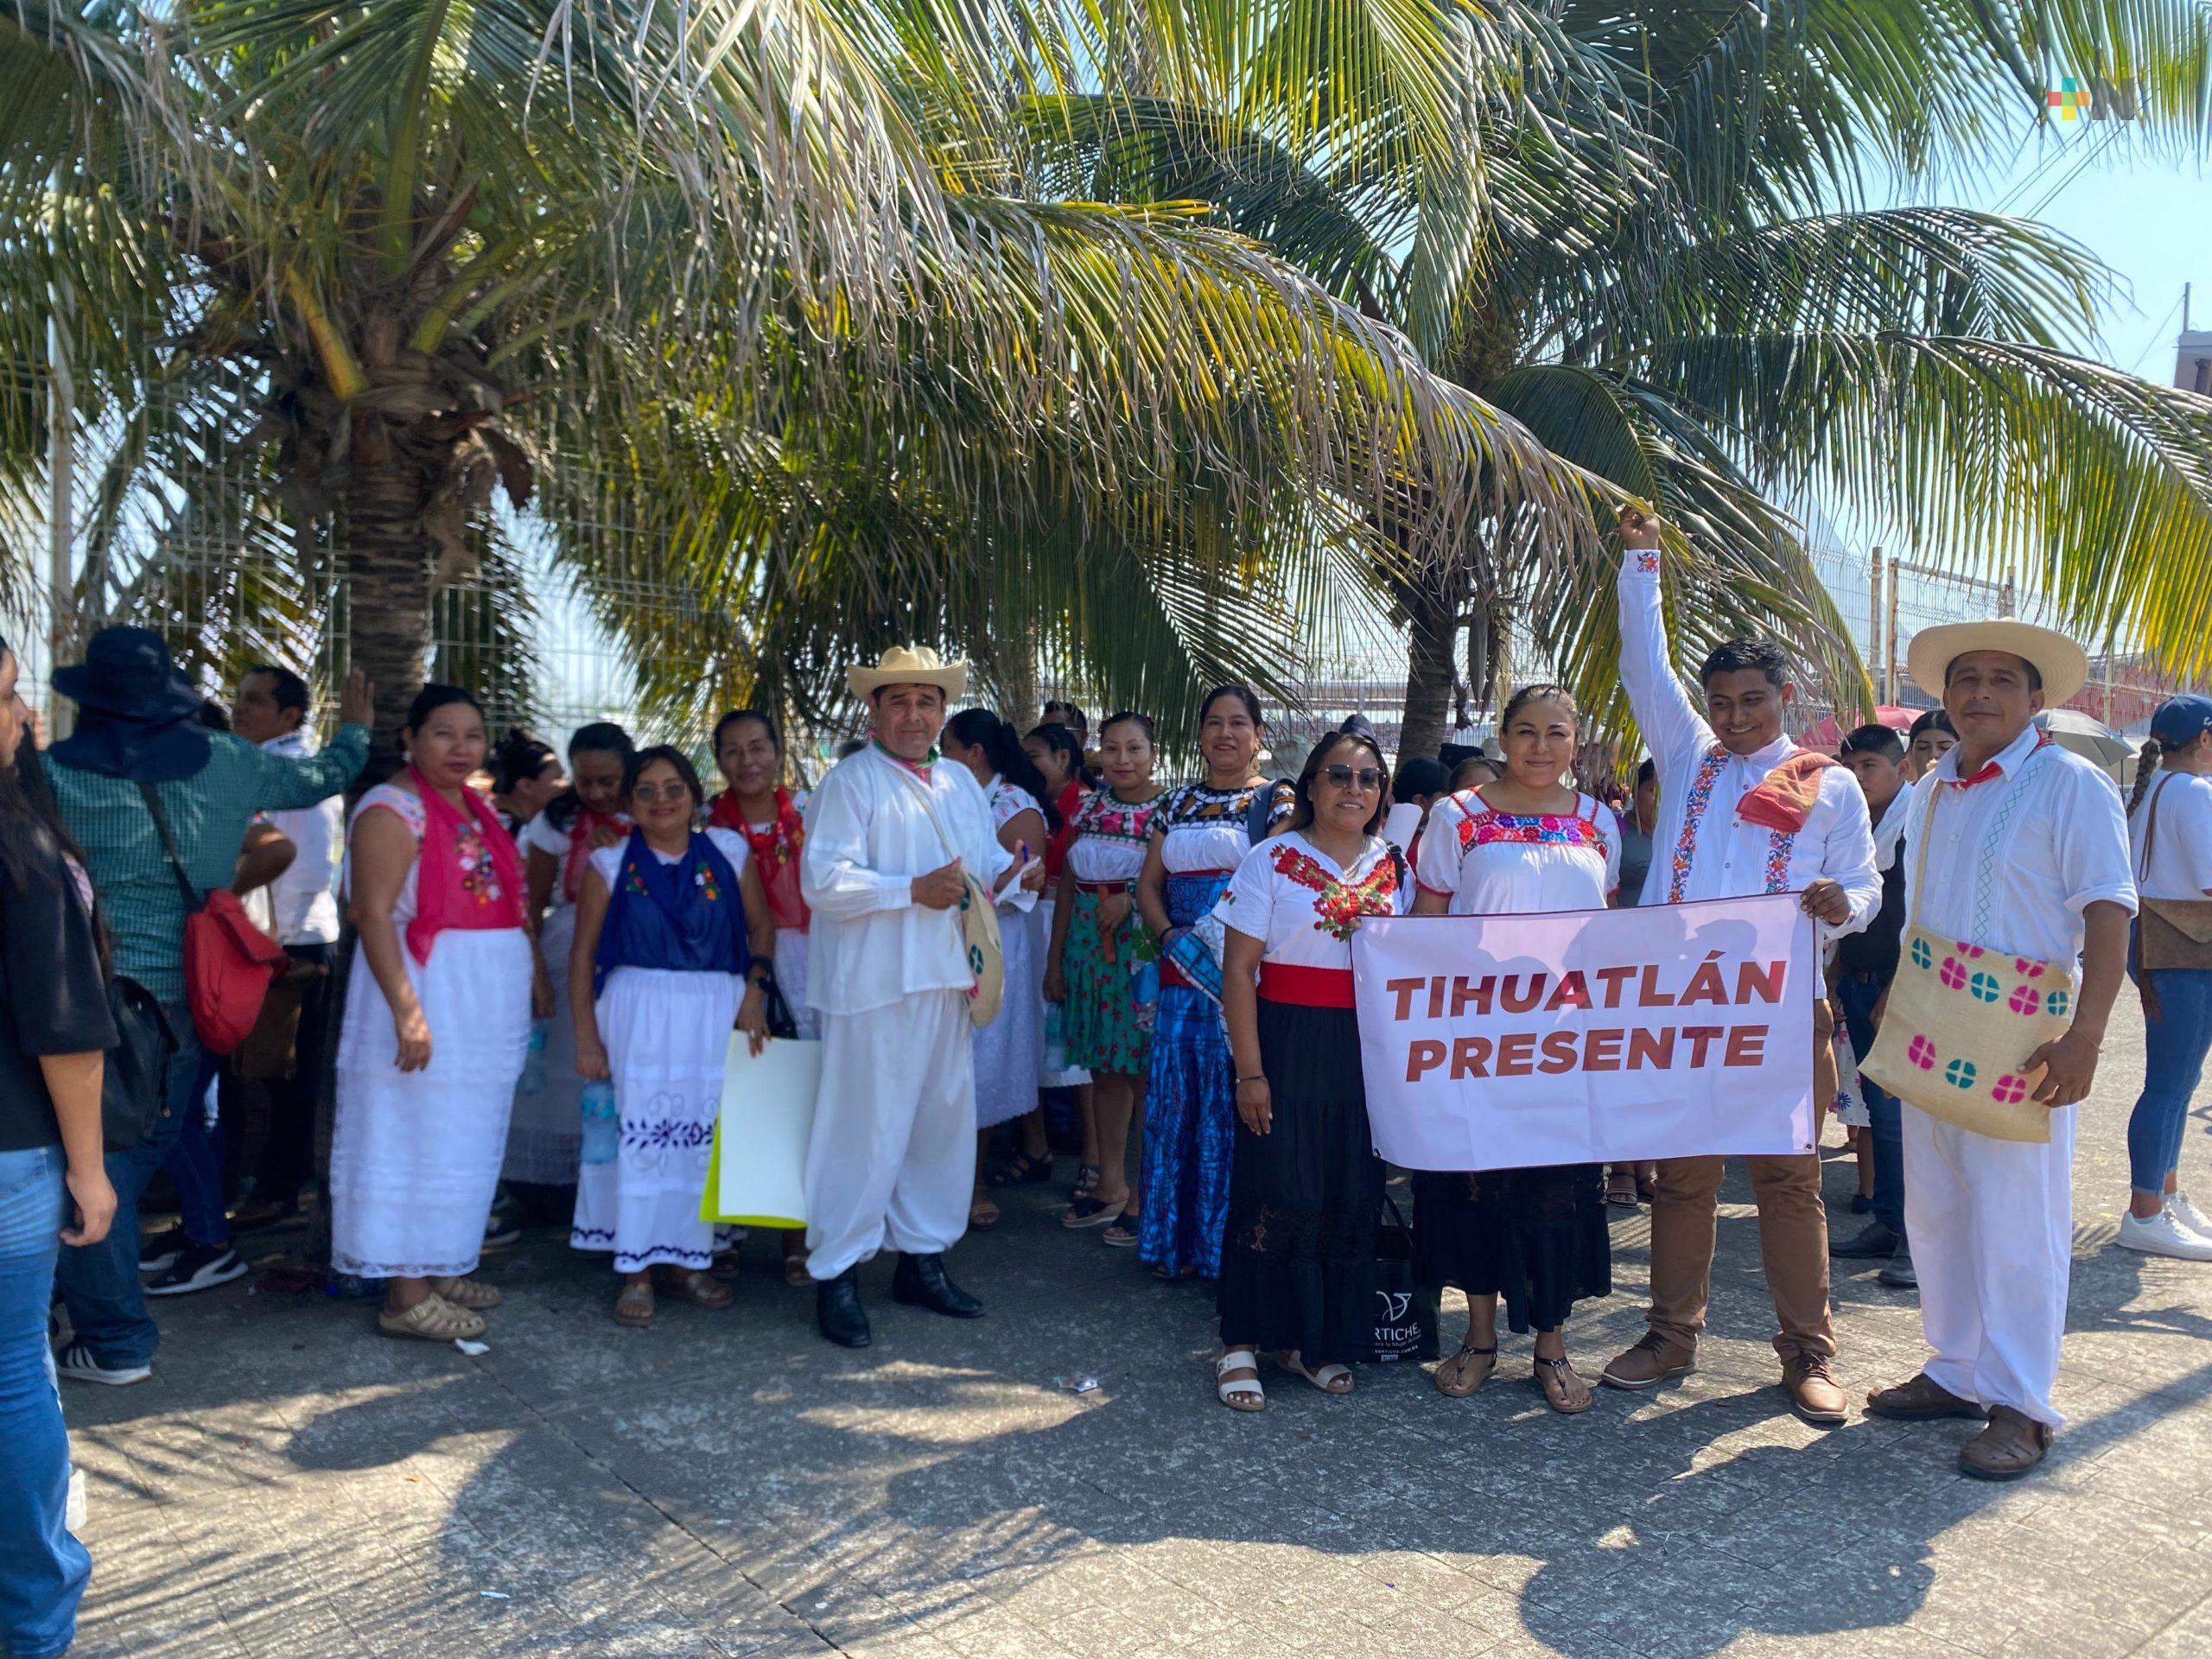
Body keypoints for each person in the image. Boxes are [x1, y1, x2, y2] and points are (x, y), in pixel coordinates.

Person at [1599, 510, 1878, 1426]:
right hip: (1682, 1005)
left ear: (1783, 696)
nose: (1733, 716)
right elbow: (1643, 662)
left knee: (1787, 1183)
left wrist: (1844, 906)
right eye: (1719, 702)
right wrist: (1642, 561)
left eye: (1749, 700)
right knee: (1682, 1178)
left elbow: (1863, 887)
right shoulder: (1687, 760)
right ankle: (1670, 1335)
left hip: (1783, 1007)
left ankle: (1807, 1354)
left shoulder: (1827, 782)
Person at [44, 627, 368, 1384]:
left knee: (99, 1170)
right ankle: (103, 1310)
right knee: (143, 1144)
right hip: (194, 994)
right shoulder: (229, 762)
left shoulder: (53, 775)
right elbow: (320, 775)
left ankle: (116, 1338)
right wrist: (356, 728)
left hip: (87, 994)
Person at [1866, 618, 2133, 1481]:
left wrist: (2084, 1036)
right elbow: (1916, 908)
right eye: (1963, 679)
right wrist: (1898, 1009)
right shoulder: (1934, 785)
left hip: (2025, 1034)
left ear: (2035, 698)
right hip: (1934, 1024)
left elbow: (2107, 908)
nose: (1978, 693)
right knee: (1935, 1208)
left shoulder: (2069, 785)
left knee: (2019, 1217)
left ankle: (2022, 1403)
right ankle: (1954, 1369)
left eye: (1998, 680)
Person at [798, 647, 1041, 1348]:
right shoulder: (849, 782)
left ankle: (922, 1260)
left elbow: (983, 867)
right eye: (898, 701)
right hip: (872, 985)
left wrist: (1016, 875)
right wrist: (909, 891)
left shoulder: (960, 785)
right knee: (861, 1131)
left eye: (927, 702)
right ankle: (837, 1273)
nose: (913, 715)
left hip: (945, 978)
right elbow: (823, 881)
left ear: (943, 712)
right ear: (874, 711)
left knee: (939, 1127)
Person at [1412, 686, 1617, 1413]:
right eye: (1525, 731)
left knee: (1558, 1189)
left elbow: (1610, 935)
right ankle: (1478, 1338)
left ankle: (1553, 1347)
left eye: (1556, 733)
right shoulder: (1456, 818)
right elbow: (1428, 927)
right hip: (1478, 1039)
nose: (1540, 746)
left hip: (1568, 1043)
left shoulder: (1599, 822)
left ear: (1577, 740)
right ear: (1501, 736)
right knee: (1479, 1187)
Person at [331, 685, 538, 1341]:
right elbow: (372, 913)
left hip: (476, 1004)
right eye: (443, 733)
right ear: (410, 738)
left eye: (472, 734)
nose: (461, 747)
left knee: (461, 1135)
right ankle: (404, 1292)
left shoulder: (470, 806)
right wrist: (407, 1012)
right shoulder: (392, 809)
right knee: (411, 1132)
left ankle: (439, 1258)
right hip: (425, 993)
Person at [1212, 721, 1403, 1409]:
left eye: (1369, 778)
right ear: (1312, 785)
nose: (1355, 789)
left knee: (1345, 1193)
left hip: (1365, 1052)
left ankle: (1313, 1343)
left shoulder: (1396, 866)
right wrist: (1250, 1072)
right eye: (1340, 775)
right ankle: (1240, 1342)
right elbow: (1239, 973)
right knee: (1274, 1191)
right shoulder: (1269, 860)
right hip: (1286, 1043)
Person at [0, 638, 117, 1659]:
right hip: (13, 1156)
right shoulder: (28, 857)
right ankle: (33, 1623)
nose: (14, 720)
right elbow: (68, 1033)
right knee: (9, 1378)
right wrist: (90, 1170)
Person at [570, 747, 774, 1324]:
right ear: (629, 802)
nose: (662, 801)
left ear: (694, 794)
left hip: (714, 1012)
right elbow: (582, 957)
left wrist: (753, 991)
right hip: (635, 1016)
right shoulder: (610, 865)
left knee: (699, 1142)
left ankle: (690, 1263)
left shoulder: (729, 852)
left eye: (673, 787)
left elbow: (761, 926)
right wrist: (587, 1037)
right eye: (647, 791)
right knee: (640, 1143)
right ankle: (635, 1270)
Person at [1135, 686, 1294, 1281]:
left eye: (1238, 723)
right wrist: (1169, 935)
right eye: (1213, 723)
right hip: (1181, 968)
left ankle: (1228, 1249)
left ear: (1258, 734)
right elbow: (1148, 883)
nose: (1224, 734)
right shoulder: (1174, 803)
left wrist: (1215, 937)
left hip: (1241, 970)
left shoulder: (1279, 803)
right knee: (1178, 1101)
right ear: (1199, 735)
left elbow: (1277, 882)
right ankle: (1171, 1244)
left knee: (1233, 1104)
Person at [219, 663, 346, 1230]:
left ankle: (279, 1190)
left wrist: (281, 953)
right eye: (239, 698)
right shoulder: (267, 768)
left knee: (283, 1074)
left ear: (290, 715)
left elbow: (308, 867)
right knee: (262, 1072)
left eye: (254, 700)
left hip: (292, 945)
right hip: (266, 941)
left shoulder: (299, 775)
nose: (240, 709)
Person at [1049, 713, 1167, 1243]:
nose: (1124, 760)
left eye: (1135, 748)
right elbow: (1069, 888)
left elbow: (1178, 885)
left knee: (1143, 1072)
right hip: (1086, 947)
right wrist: (1054, 961)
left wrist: (1130, 901)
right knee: (1103, 1068)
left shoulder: (1171, 807)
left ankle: (1145, 1196)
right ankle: (1111, 1185)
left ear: (1153, 752)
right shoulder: (1088, 807)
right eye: (1113, 748)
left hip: (1139, 950)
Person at [708, 709, 816, 1284]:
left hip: (814, 966)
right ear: (718, 759)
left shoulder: (812, 813)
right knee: (741, 1098)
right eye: (732, 751)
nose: (747, 761)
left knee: (803, 1097)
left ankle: (798, 1237)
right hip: (740, 967)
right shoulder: (704, 825)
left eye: (758, 748)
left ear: (777, 751)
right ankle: (729, 1233)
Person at [940, 710, 1058, 1227]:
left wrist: (1014, 877)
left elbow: (1026, 877)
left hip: (995, 941)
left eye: (947, 747)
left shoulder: (1014, 803)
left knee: (982, 1057)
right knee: (946, 1057)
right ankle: (941, 1175)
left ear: (975, 753)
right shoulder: (941, 795)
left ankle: (972, 1180)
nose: (939, 758)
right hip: (942, 937)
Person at [511, 723, 634, 1197]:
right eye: (585, 781)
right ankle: (562, 1184)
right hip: (569, 951)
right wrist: (536, 971)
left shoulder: (655, 809)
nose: (598, 793)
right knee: (570, 1066)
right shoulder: (556, 821)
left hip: (635, 953)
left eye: (609, 781)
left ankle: (621, 1180)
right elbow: (532, 903)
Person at [2116, 695, 2212, 1258]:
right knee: (2170, 1085)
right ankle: (2146, 1210)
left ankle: (2165, 1197)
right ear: (2203, 738)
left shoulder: (2149, 789)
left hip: (2152, 942)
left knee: (2174, 1083)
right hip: (2187, 949)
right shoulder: (2195, 793)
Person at [1830, 722, 1916, 1288]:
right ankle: (1887, 1222)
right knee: (1874, 1115)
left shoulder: (1915, 828)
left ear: (1900, 769)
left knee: (1895, 1120)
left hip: (1899, 986)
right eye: (1852, 768)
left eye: (1871, 768)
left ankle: (1914, 1240)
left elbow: (1918, 920)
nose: (1860, 780)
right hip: (1857, 982)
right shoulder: (1853, 828)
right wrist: (1835, 976)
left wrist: (1895, 990)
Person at [1022, 721, 1095, 1187]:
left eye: (1035, 757)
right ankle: (1035, 1147)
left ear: (1063, 759)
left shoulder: (1086, 806)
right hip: (1031, 925)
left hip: (1066, 928)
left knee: (1077, 1048)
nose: (1027, 766)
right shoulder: (1028, 803)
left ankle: (1092, 1155)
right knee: (1029, 1038)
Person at [487, 728, 564, 841]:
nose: (565, 785)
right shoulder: (523, 837)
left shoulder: (481, 816)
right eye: (557, 778)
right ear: (526, 786)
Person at [1616, 758, 1657, 906]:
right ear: (1635, 790)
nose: (1660, 799)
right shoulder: (1614, 830)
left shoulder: (1682, 837)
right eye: (1653, 790)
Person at [1904, 708, 1958, 782]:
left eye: (1945, 747)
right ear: (1911, 750)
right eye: (1923, 747)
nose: (1933, 755)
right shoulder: (1906, 793)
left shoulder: (1974, 792)